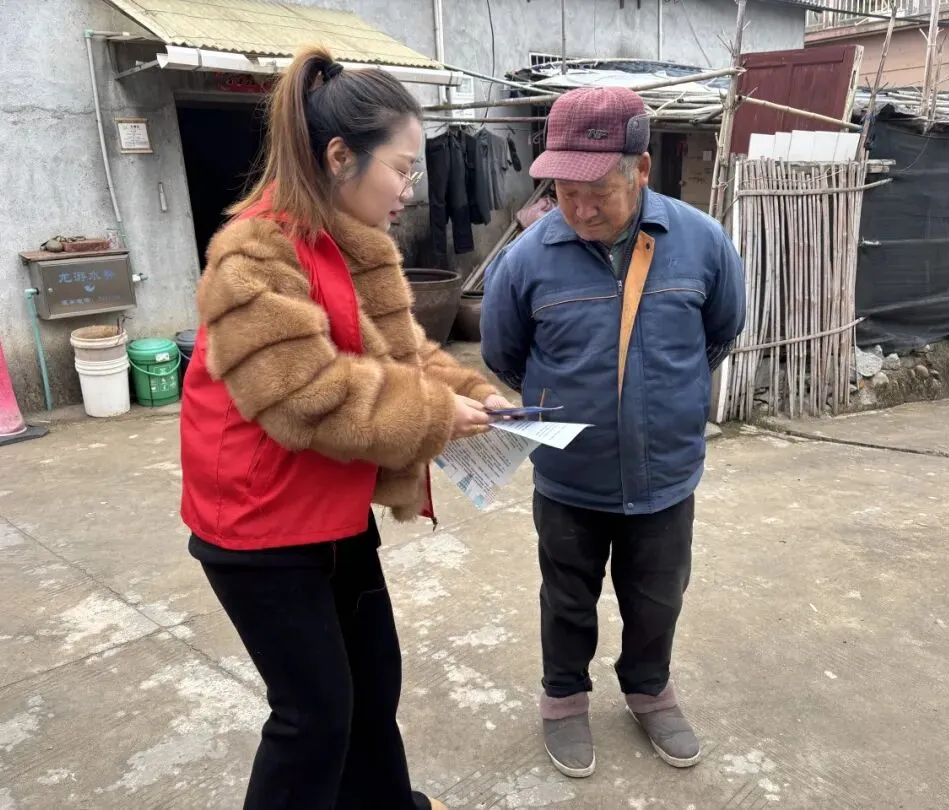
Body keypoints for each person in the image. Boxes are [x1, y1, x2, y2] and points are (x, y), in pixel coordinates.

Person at [179, 47, 511, 810]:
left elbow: (407, 352)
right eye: (401, 168)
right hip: (257, 527)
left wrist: (472, 394)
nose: (409, 188)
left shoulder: (355, 241)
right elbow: (308, 396)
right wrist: (435, 416)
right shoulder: (253, 255)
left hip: (332, 509)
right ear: (339, 157)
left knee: (371, 690)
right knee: (314, 718)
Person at [480, 86, 746, 778]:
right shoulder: (527, 259)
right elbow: (504, 356)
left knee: (658, 597)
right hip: (569, 476)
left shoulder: (702, 243)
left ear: (642, 169)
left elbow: (719, 334)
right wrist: (572, 403)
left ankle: (650, 690)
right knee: (566, 596)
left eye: (598, 190)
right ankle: (564, 698)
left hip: (666, 473)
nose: (581, 208)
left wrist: (660, 402)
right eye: (565, 191)